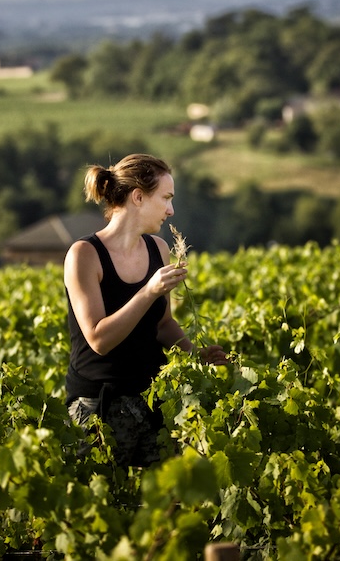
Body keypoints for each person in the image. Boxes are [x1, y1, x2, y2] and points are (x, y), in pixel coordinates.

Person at [64, 153, 228, 468]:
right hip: (97, 406)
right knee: (107, 507)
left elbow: (163, 323)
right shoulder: (84, 255)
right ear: (138, 197)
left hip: (153, 399)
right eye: (165, 198)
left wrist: (196, 354)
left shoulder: (158, 249)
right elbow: (98, 339)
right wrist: (149, 290)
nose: (171, 210)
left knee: (163, 507)